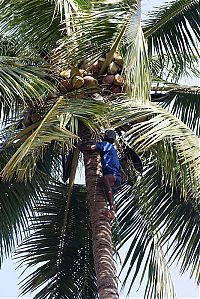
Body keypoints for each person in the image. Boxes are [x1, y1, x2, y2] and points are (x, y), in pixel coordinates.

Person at [79, 130, 126, 220]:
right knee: (104, 193)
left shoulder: (106, 145)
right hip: (116, 180)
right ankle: (110, 213)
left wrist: (82, 147)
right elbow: (119, 167)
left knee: (105, 180)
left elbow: (93, 147)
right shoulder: (112, 149)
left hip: (113, 177)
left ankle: (112, 206)